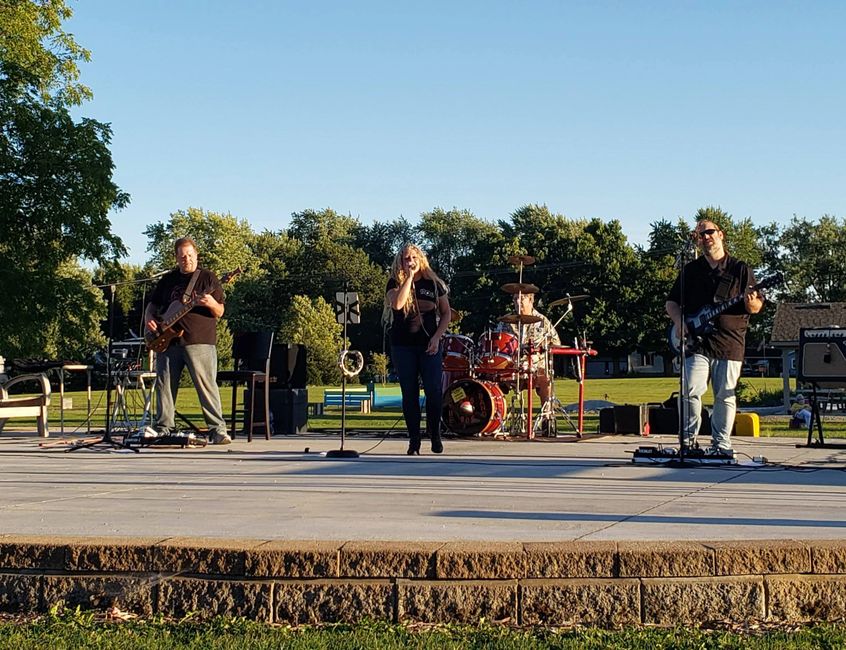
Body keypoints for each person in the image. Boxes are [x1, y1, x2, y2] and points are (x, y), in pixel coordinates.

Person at [665, 220, 764, 454]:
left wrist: (752, 304)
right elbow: (671, 303)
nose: (705, 237)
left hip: (730, 343)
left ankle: (721, 446)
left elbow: (757, 306)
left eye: (709, 232)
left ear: (721, 235)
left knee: (725, 396)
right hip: (697, 345)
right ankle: (687, 444)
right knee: (689, 391)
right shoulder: (691, 271)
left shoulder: (739, 269)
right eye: (700, 235)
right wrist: (679, 322)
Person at [144, 237, 231, 445]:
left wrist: (211, 303)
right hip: (168, 341)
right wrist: (149, 319)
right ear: (176, 258)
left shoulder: (208, 278)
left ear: (196, 254)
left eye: (190, 255)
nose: (187, 260)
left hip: (199, 340)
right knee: (164, 385)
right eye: (182, 256)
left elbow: (220, 311)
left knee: (206, 385)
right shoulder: (168, 280)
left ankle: (217, 430)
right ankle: (164, 427)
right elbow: (152, 306)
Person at [385, 244, 451, 455]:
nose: (410, 261)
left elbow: (446, 312)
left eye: (413, 257)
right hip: (403, 346)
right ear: (400, 261)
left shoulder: (433, 283)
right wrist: (409, 279)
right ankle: (414, 439)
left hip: (428, 345)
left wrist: (437, 337)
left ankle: (435, 433)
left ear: (420, 258)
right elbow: (397, 304)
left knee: (433, 390)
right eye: (406, 258)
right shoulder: (394, 282)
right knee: (409, 393)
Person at [500, 291, 561, 419]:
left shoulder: (543, 321)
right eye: (515, 298)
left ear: (531, 300)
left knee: (546, 379)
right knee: (490, 376)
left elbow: (556, 344)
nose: (517, 302)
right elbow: (497, 344)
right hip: (510, 367)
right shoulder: (505, 321)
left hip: (536, 368)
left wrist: (541, 351)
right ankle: (495, 419)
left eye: (521, 299)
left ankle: (547, 418)